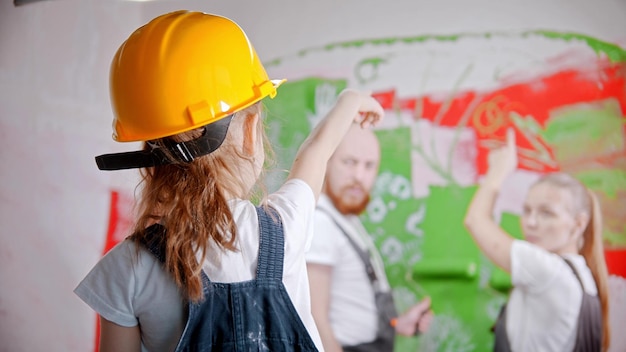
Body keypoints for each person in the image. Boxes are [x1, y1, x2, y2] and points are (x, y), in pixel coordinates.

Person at [74, 10, 385, 352]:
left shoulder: (125, 268)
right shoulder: (286, 228)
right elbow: (315, 154)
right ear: (251, 135)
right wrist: (350, 101)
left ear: (150, 153)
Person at [463, 129, 611, 352]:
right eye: (527, 210)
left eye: (546, 213)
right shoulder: (584, 276)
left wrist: (498, 170)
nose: (530, 222)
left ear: (579, 224)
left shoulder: (548, 271)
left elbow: (475, 220)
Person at [306, 124, 433, 352]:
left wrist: (397, 323)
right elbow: (315, 320)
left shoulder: (346, 219)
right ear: (328, 161)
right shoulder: (321, 222)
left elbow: (352, 307)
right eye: (349, 162)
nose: (359, 176)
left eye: (369, 166)